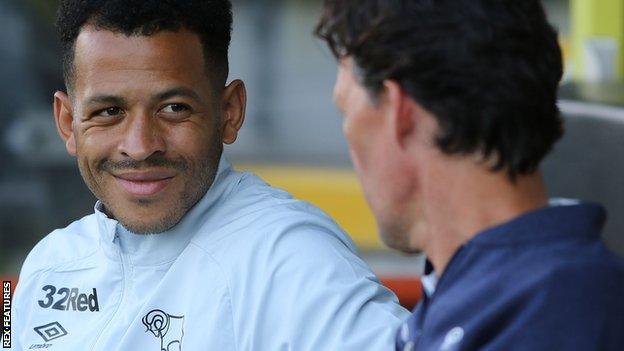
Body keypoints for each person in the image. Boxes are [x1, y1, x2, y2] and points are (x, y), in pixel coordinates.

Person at [10, 1, 409, 350]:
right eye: (109, 112)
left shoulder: (289, 256)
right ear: (67, 122)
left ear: (229, 113)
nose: (140, 144)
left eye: (174, 108)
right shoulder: (48, 262)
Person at [315, 0, 624, 350]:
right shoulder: (525, 296)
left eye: (346, 109)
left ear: (398, 112)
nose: (348, 134)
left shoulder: (548, 317)